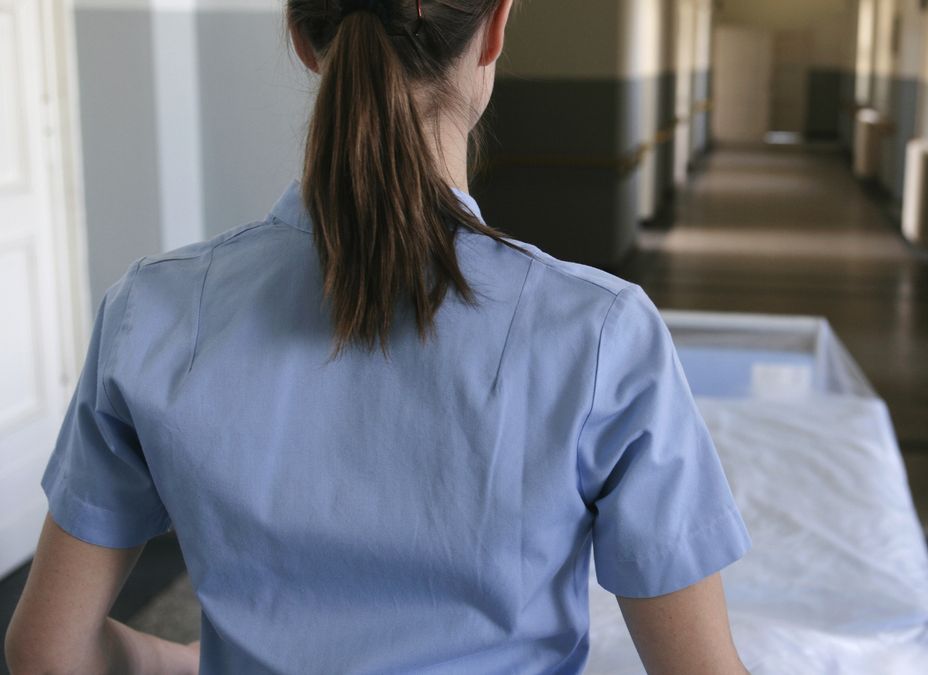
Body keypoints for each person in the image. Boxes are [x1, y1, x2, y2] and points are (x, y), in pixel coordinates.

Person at [4, 0, 752, 672]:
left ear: (301, 35)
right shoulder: (603, 336)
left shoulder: (154, 312)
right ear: (495, 28)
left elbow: (46, 652)